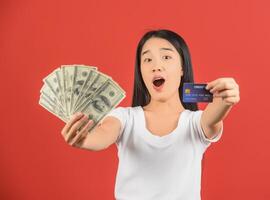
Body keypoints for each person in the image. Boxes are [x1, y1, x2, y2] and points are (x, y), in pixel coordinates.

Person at [60, 29, 240, 200]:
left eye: (166, 57)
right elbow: (102, 135)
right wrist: (84, 139)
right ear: (141, 71)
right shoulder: (125, 118)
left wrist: (226, 97)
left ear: (182, 69)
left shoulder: (195, 123)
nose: (156, 66)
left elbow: (213, 117)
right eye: (147, 60)